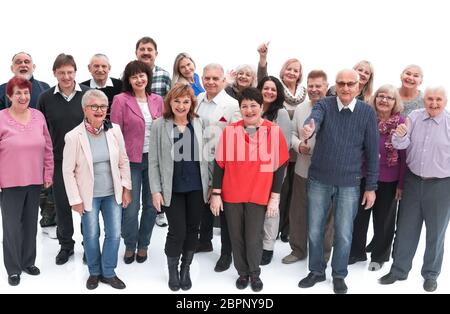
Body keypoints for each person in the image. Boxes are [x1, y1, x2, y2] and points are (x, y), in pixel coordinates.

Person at [298, 69, 379, 294]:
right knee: (314, 229)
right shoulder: (324, 104)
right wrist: (309, 127)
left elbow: (372, 153)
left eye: (350, 84)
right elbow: (314, 119)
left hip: (349, 183)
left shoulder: (367, 113)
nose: (345, 88)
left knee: (343, 233)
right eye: (341, 83)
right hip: (319, 180)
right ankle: (315, 271)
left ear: (358, 87)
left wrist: (371, 187)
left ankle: (339, 274)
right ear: (335, 85)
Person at [210, 87, 289, 292]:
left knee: (253, 236)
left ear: (261, 107)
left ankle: (254, 273)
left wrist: (275, 197)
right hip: (232, 193)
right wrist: (216, 194)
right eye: (244, 106)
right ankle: (242, 273)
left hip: (258, 193)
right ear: (240, 109)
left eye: (253, 105)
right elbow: (220, 164)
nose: (249, 110)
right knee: (236, 236)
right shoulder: (230, 131)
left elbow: (279, 166)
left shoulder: (273, 131)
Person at [379, 87, 450, 293]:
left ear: (445, 101)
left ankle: (430, 274)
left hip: (441, 185)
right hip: (412, 180)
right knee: (405, 228)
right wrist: (399, 135)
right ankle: (399, 270)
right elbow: (400, 144)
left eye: (438, 99)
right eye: (430, 99)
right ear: (424, 99)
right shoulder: (415, 117)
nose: (433, 103)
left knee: (436, 232)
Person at [62, 89, 131, 290]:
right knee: (91, 235)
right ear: (85, 109)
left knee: (115, 234)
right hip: (88, 196)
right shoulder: (73, 136)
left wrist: (127, 187)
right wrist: (75, 199)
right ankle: (94, 272)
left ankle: (108, 272)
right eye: (94, 106)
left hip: (112, 193)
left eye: (102, 106)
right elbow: (68, 171)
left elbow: (123, 160)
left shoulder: (114, 130)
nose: (99, 110)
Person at [149, 83, 211, 291]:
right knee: (177, 231)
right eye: (177, 101)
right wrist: (155, 190)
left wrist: (211, 185)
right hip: (172, 188)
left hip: (196, 186)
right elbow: (154, 161)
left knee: (194, 229)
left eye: (186, 101)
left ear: (192, 103)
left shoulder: (200, 123)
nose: (181, 105)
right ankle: (173, 270)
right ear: (170, 102)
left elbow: (208, 159)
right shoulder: (159, 125)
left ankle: (186, 268)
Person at [0, 77, 53, 286]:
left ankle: (28, 261)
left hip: (34, 181)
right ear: (9, 96)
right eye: (18, 93)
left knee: (31, 225)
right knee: (12, 227)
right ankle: (13, 268)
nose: (23, 97)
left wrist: (48, 173)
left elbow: (47, 147)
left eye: (26, 93)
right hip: (9, 183)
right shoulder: (1, 118)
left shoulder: (38, 116)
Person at [38, 53, 90, 265]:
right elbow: (41, 132)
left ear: (76, 72)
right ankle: (66, 246)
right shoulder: (46, 98)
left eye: (70, 72)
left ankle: (90, 246)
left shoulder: (88, 95)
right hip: (59, 161)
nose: (66, 77)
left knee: (87, 206)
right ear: (54, 73)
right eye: (62, 73)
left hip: (85, 160)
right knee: (62, 205)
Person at [111, 60, 164, 264]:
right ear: (129, 80)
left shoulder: (158, 100)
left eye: (142, 75)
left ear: (148, 77)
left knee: (152, 206)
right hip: (130, 160)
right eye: (134, 76)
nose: (139, 79)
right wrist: (118, 163)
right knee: (131, 207)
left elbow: (164, 131)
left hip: (154, 160)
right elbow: (115, 134)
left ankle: (144, 244)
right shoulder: (120, 100)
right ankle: (130, 244)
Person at [349, 85, 406, 271]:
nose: (384, 100)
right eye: (380, 96)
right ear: (374, 99)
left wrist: (401, 183)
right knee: (359, 217)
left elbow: (405, 155)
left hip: (389, 180)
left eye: (389, 98)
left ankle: (379, 256)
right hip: (364, 175)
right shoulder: (366, 118)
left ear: (395, 102)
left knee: (384, 220)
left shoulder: (401, 123)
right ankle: (357, 252)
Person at [0, 52, 55, 237]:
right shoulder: (2, 90)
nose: (23, 65)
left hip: (39, 152)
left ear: (34, 66)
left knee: (45, 196)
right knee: (15, 209)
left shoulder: (45, 88)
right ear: (12, 67)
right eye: (18, 62)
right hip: (13, 160)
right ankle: (14, 236)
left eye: (27, 62)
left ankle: (47, 224)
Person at [257, 42, 307, 242]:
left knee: (294, 194)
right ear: (283, 71)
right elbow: (263, 83)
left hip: (300, 152)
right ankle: (274, 231)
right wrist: (262, 59)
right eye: (289, 69)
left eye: (296, 70)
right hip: (281, 153)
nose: (292, 72)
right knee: (281, 190)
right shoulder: (276, 90)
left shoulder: (304, 94)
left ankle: (287, 228)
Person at [284, 70, 334, 264]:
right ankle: (298, 250)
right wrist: (298, 146)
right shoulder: (301, 109)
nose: (314, 90)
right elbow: (292, 133)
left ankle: (322, 254)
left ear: (326, 86)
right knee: (298, 212)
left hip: (326, 174)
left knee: (325, 217)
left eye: (318, 86)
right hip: (302, 169)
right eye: (310, 86)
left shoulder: (335, 109)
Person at [195, 63, 241, 273]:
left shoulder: (232, 105)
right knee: (203, 204)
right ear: (202, 80)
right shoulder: (197, 100)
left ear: (223, 80)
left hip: (223, 164)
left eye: (215, 78)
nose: (211, 82)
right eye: (207, 78)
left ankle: (226, 254)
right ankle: (204, 241)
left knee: (223, 210)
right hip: (198, 160)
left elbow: (239, 137)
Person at [135, 36, 171, 227]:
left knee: (158, 174)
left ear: (156, 53)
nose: (146, 52)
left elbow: (172, 101)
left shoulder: (164, 75)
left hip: (159, 133)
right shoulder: (130, 74)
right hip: (137, 138)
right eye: (142, 49)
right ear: (136, 53)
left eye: (150, 49)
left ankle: (159, 210)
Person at [256, 76, 291, 265]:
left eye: (273, 89)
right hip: (252, 170)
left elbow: (283, 147)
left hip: (273, 168)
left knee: (271, 206)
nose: (269, 92)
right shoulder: (252, 108)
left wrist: (277, 172)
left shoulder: (282, 114)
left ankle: (268, 246)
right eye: (265, 88)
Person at [81, 53, 122, 117]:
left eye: (104, 66)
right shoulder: (81, 88)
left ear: (109, 68)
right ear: (89, 68)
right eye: (96, 66)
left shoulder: (121, 86)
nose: (100, 70)